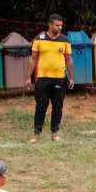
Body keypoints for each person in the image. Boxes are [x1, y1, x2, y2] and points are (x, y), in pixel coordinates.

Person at [27, 14, 74, 143]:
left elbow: (69, 60)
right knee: (41, 106)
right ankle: (36, 134)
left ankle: (55, 133)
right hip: (42, 78)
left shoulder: (65, 40)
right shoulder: (39, 38)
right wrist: (28, 78)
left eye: (61, 26)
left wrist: (71, 77)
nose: (59, 28)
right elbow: (33, 59)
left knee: (57, 107)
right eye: (57, 25)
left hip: (59, 79)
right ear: (50, 24)